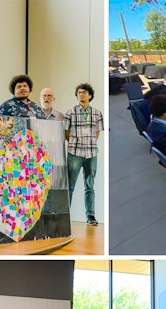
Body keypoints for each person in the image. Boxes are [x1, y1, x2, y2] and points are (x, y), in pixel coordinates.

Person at [64, 83, 104, 227]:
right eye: (79, 92)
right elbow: (66, 132)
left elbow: (98, 131)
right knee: (70, 185)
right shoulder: (70, 112)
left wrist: (90, 142)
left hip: (92, 153)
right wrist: (75, 143)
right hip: (75, 153)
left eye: (84, 92)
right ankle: (65, 214)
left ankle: (90, 215)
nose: (81, 94)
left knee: (89, 185)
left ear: (90, 95)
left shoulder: (97, 113)